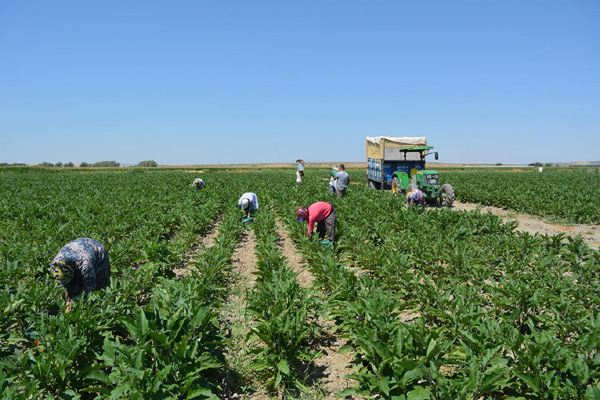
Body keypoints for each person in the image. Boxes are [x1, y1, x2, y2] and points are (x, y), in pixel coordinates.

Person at [50, 238, 111, 312]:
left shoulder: (86, 266)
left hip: (97, 250)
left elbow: (90, 291)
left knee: (100, 288)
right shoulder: (55, 265)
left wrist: (73, 300)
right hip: (77, 248)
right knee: (72, 289)